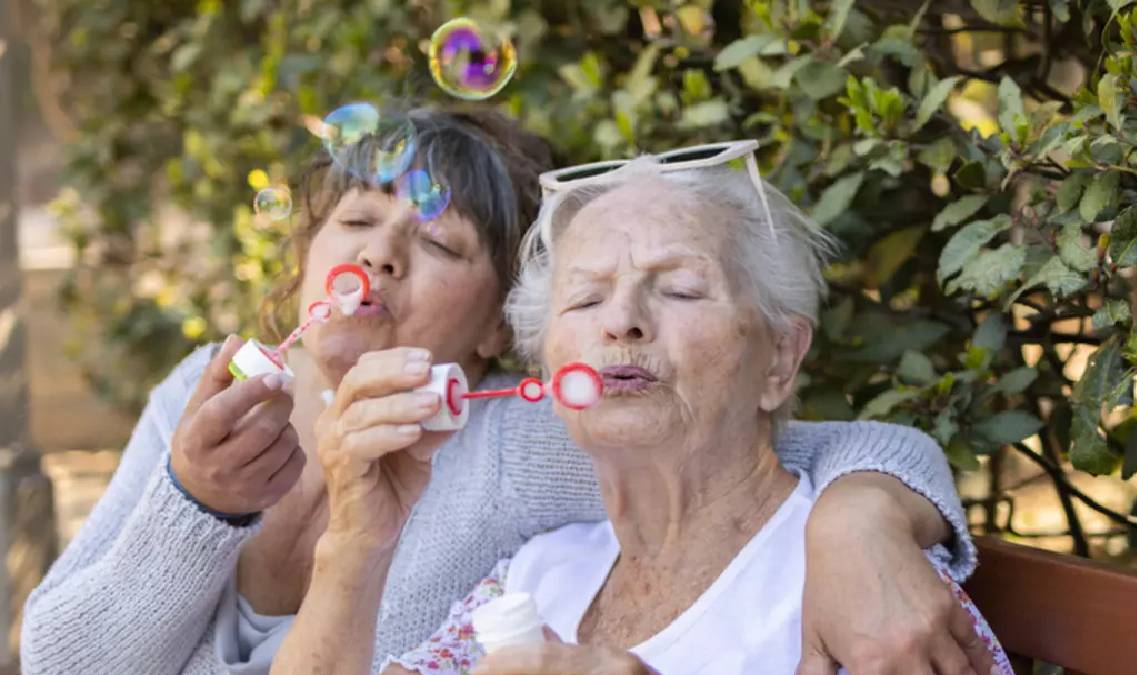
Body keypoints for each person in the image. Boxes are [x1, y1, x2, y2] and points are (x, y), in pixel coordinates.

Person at [22, 112, 987, 675]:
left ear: (497, 332)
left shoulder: (516, 433)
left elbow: (761, 451)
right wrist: (198, 506)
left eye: (439, 244)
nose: (379, 252)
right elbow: (62, 661)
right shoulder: (208, 396)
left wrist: (857, 519)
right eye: (356, 217)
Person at [277, 145, 1011, 675]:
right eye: (585, 297)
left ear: (780, 360)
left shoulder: (859, 588)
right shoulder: (534, 574)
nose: (621, 319)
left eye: (682, 289)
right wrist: (354, 539)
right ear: (546, 366)